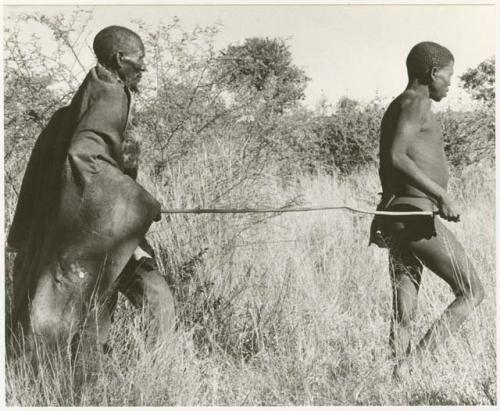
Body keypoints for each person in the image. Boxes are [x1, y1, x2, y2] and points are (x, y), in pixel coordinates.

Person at [7, 26, 175, 356]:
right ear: (119, 58)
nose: (143, 68)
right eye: (139, 60)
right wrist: (142, 202)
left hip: (91, 225)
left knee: (99, 298)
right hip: (102, 223)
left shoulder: (87, 97)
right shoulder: (112, 96)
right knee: (157, 296)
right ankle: (161, 374)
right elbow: (84, 158)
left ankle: (85, 379)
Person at [369, 41, 484, 377]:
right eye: (448, 77)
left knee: (404, 309)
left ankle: (394, 379)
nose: (450, 83)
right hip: (414, 215)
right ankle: (411, 368)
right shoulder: (417, 102)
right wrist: (441, 195)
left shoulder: (397, 105)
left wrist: (386, 211)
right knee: (472, 291)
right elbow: (396, 156)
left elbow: (385, 163)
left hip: (397, 215)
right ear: (433, 73)